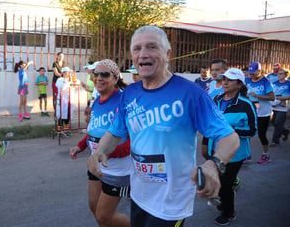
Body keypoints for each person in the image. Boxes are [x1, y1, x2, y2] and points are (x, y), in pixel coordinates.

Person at [87, 25, 239, 226]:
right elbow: (115, 132)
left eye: (151, 47)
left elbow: (230, 137)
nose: (143, 54)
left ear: (167, 54)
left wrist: (213, 164)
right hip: (139, 194)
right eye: (137, 49)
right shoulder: (130, 94)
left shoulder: (190, 93)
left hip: (171, 203)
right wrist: (99, 152)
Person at [70, 59, 130, 227]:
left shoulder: (123, 101)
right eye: (96, 74)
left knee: (104, 216)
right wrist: (80, 146)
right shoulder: (97, 100)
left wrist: (106, 152)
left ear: (115, 78)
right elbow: (94, 131)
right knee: (95, 209)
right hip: (96, 166)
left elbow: (133, 141)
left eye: (105, 74)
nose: (98, 78)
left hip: (118, 170)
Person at [202, 68, 257, 225]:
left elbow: (253, 131)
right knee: (219, 180)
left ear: (239, 84)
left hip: (235, 153)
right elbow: (209, 124)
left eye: (230, 79)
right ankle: (225, 197)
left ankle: (229, 212)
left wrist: (234, 131)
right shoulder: (216, 100)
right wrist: (205, 144)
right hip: (216, 150)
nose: (225, 82)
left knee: (225, 184)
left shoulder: (246, 104)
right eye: (224, 79)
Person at [245, 61, 275, 164]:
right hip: (251, 111)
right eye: (250, 72)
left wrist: (257, 95)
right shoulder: (247, 80)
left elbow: (272, 97)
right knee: (247, 133)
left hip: (263, 113)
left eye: (253, 72)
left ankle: (266, 155)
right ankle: (246, 154)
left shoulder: (266, 81)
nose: (251, 75)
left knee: (262, 134)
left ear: (259, 71)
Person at [55, 67, 78, 136]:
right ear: (63, 73)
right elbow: (61, 87)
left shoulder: (71, 80)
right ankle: (59, 131)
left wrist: (73, 81)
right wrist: (69, 83)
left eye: (69, 72)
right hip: (62, 100)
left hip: (69, 101)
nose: (69, 73)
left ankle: (65, 130)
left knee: (67, 115)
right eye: (68, 72)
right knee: (60, 115)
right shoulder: (60, 80)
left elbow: (75, 85)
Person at [270, 68, 290, 146]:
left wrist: (284, 98)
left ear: (286, 75)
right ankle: (285, 131)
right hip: (274, 105)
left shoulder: (288, 83)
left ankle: (275, 141)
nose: (279, 75)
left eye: (281, 74)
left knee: (278, 122)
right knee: (273, 122)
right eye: (278, 73)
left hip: (284, 107)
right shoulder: (274, 83)